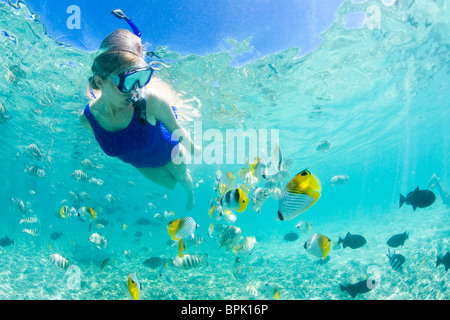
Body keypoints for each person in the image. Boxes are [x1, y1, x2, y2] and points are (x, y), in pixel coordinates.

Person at [79, 29, 200, 210]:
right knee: (170, 185)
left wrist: (195, 150)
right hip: (141, 164)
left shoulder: (150, 100)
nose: (136, 89)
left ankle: (191, 194)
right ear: (99, 82)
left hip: (169, 154)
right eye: (128, 81)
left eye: (141, 78)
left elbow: (177, 129)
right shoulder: (87, 120)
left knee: (183, 180)